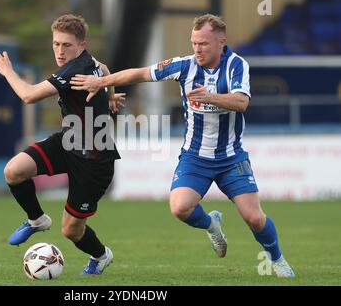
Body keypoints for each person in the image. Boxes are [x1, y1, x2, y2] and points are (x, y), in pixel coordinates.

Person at [70, 14, 295, 278]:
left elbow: (241, 103)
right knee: (180, 208)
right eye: (194, 43)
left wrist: (209, 96)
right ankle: (212, 224)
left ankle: (277, 259)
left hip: (231, 157)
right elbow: (140, 74)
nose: (197, 49)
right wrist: (102, 82)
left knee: (254, 219)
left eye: (204, 44)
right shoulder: (184, 66)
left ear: (221, 42)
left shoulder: (236, 66)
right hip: (195, 157)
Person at [0, 13, 125, 275]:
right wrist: (110, 97)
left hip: (94, 160)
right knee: (14, 171)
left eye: (67, 45)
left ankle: (101, 255)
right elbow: (106, 69)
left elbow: (29, 96)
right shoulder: (90, 63)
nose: (60, 51)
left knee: (71, 230)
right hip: (68, 142)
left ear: (82, 45)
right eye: (56, 44)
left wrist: (8, 72)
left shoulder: (73, 70)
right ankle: (37, 220)